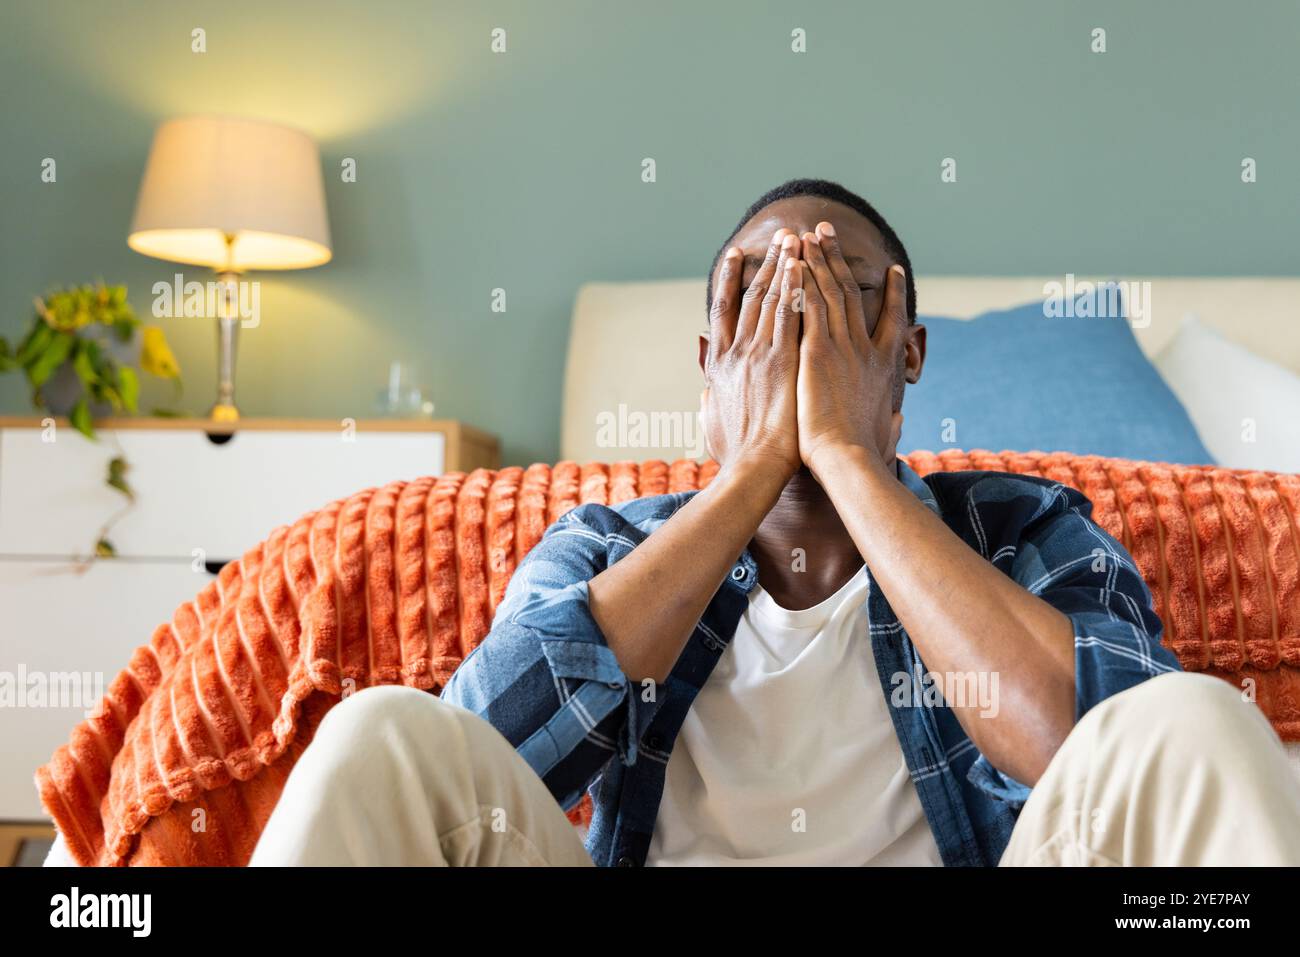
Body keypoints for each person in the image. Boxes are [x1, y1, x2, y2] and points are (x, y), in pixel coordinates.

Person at [251, 179, 1300, 867]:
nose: (798, 340)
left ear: (907, 357)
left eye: (840, 308)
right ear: (711, 366)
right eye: (756, 309)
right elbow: (483, 756)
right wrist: (755, 467)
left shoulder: (1027, 531)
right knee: (382, 736)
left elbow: (1085, 745)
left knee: (1193, 717)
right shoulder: (607, 547)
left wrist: (844, 458)